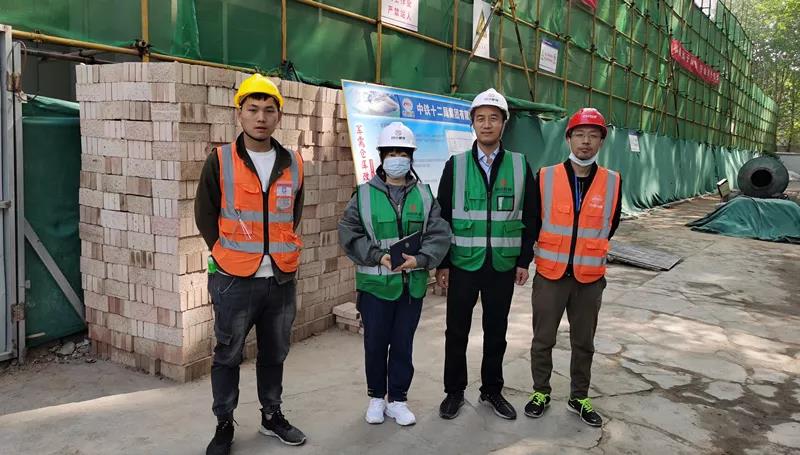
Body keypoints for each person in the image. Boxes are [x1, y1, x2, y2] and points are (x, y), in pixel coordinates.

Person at [195, 74, 307, 455]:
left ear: (279, 116)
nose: (261, 117)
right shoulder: (220, 160)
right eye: (253, 109)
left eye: (269, 110)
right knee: (228, 354)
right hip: (234, 280)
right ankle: (224, 424)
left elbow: (292, 215)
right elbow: (205, 214)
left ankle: (271, 416)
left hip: (280, 279)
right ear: (239, 114)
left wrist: (275, 251)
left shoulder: (293, 163)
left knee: (275, 353)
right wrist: (225, 252)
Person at [338, 122, 451, 426]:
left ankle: (398, 399)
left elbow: (439, 234)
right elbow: (349, 232)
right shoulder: (363, 195)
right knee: (375, 344)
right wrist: (378, 255)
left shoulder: (424, 195)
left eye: (403, 153)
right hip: (375, 287)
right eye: (392, 152)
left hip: (411, 287)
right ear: (382, 157)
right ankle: (376, 397)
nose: (397, 158)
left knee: (403, 344)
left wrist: (421, 260)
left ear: (411, 157)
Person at [435, 88, 537, 421]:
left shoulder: (520, 165)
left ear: (504, 123)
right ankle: (454, 392)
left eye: (494, 118)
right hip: (463, 264)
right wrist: (443, 263)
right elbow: (442, 218)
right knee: (456, 331)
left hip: (502, 265)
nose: (487, 124)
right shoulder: (456, 165)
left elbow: (531, 216)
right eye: (480, 118)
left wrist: (523, 260)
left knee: (496, 332)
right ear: (473, 124)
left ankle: (492, 390)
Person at [523, 108, 622, 427]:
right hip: (550, 274)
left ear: (601, 142)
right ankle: (540, 392)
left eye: (593, 136)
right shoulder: (546, 176)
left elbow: (611, 224)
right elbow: (533, 222)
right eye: (579, 134)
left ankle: (579, 396)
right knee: (543, 340)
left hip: (589, 278)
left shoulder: (613, 181)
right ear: (568, 139)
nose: (586, 142)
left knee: (584, 343)